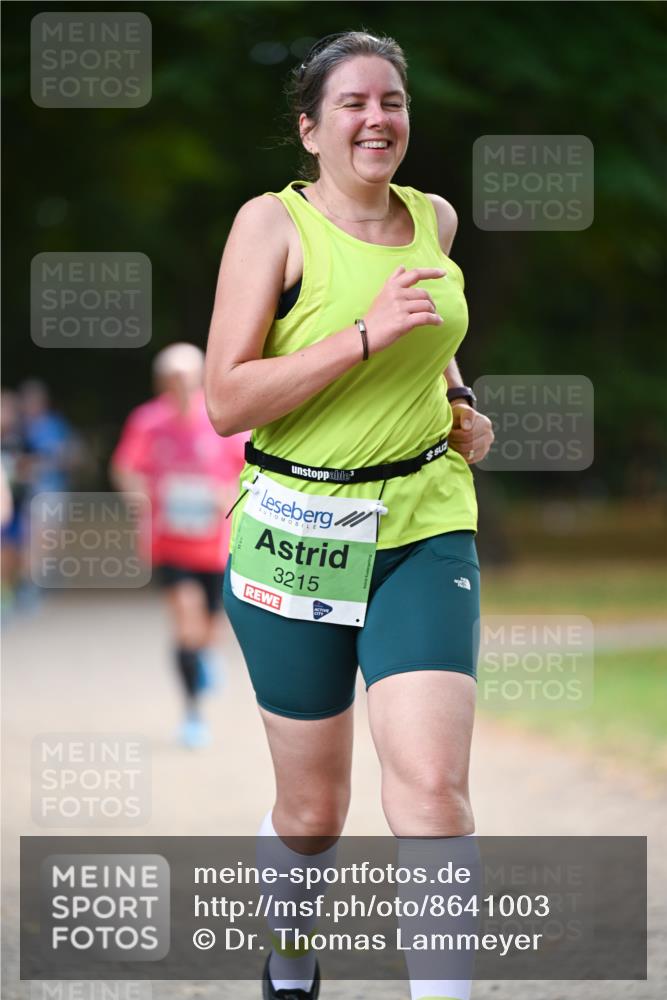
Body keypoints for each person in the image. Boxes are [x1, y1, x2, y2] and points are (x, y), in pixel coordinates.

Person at [205, 32, 494, 1000]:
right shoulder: (270, 226)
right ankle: (289, 960)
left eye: (393, 101)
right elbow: (227, 400)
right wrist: (358, 339)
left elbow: (432, 334)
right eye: (353, 104)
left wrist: (456, 404)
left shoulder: (434, 219)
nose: (378, 118)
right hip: (295, 534)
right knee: (313, 809)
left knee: (430, 789)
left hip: (422, 525)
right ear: (311, 127)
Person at [110, 343, 247, 748]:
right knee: (185, 620)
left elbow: (249, 470)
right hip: (169, 541)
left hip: (216, 543)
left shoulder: (222, 418)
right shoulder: (148, 421)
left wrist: (230, 495)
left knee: (210, 622)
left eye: (186, 377)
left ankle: (207, 655)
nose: (179, 386)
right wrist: (138, 495)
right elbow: (124, 468)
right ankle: (192, 713)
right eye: (171, 378)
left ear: (201, 377)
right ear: (160, 382)